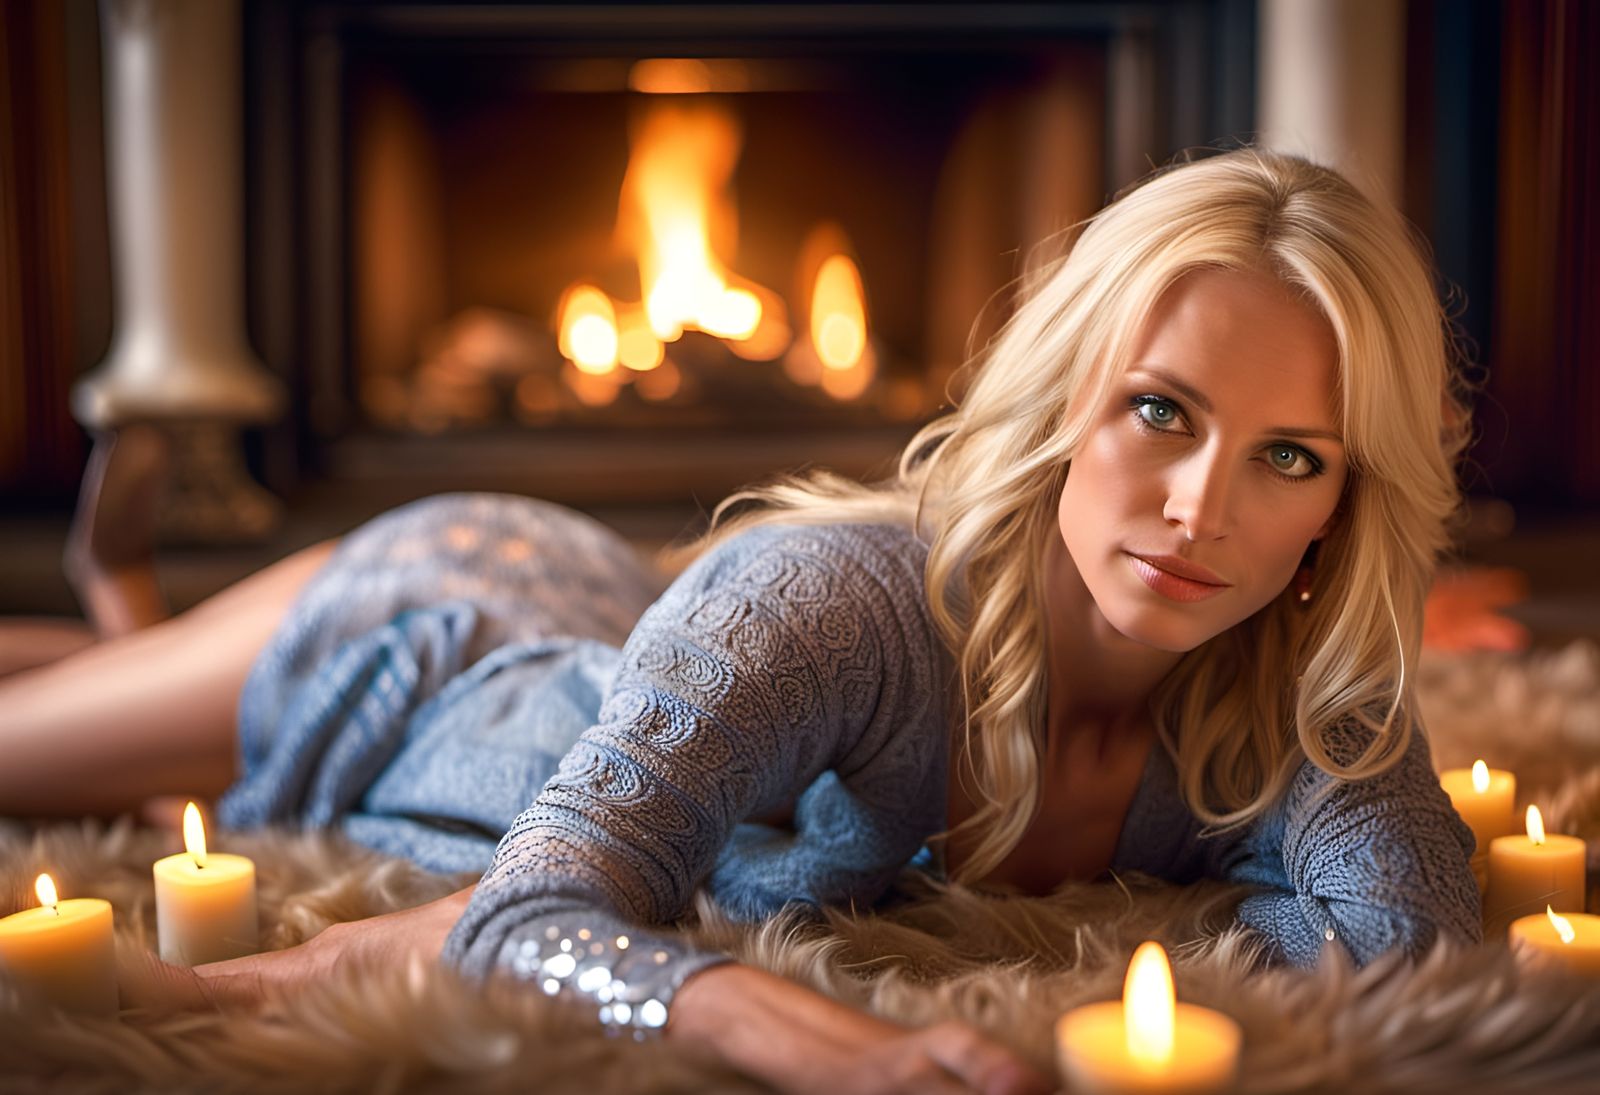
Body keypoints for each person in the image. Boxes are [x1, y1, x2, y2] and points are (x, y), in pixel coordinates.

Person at [1, 149, 1482, 1095]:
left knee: (113, 702)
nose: (1199, 510)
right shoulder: (836, 607)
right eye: (1160, 412)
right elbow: (529, 914)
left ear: (1342, 506)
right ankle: (129, 624)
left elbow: (1409, 943)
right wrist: (808, 1033)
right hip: (430, 643)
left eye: (1291, 455)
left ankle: (122, 612)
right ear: (1061, 408)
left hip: (622, 630)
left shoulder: (1302, 680)